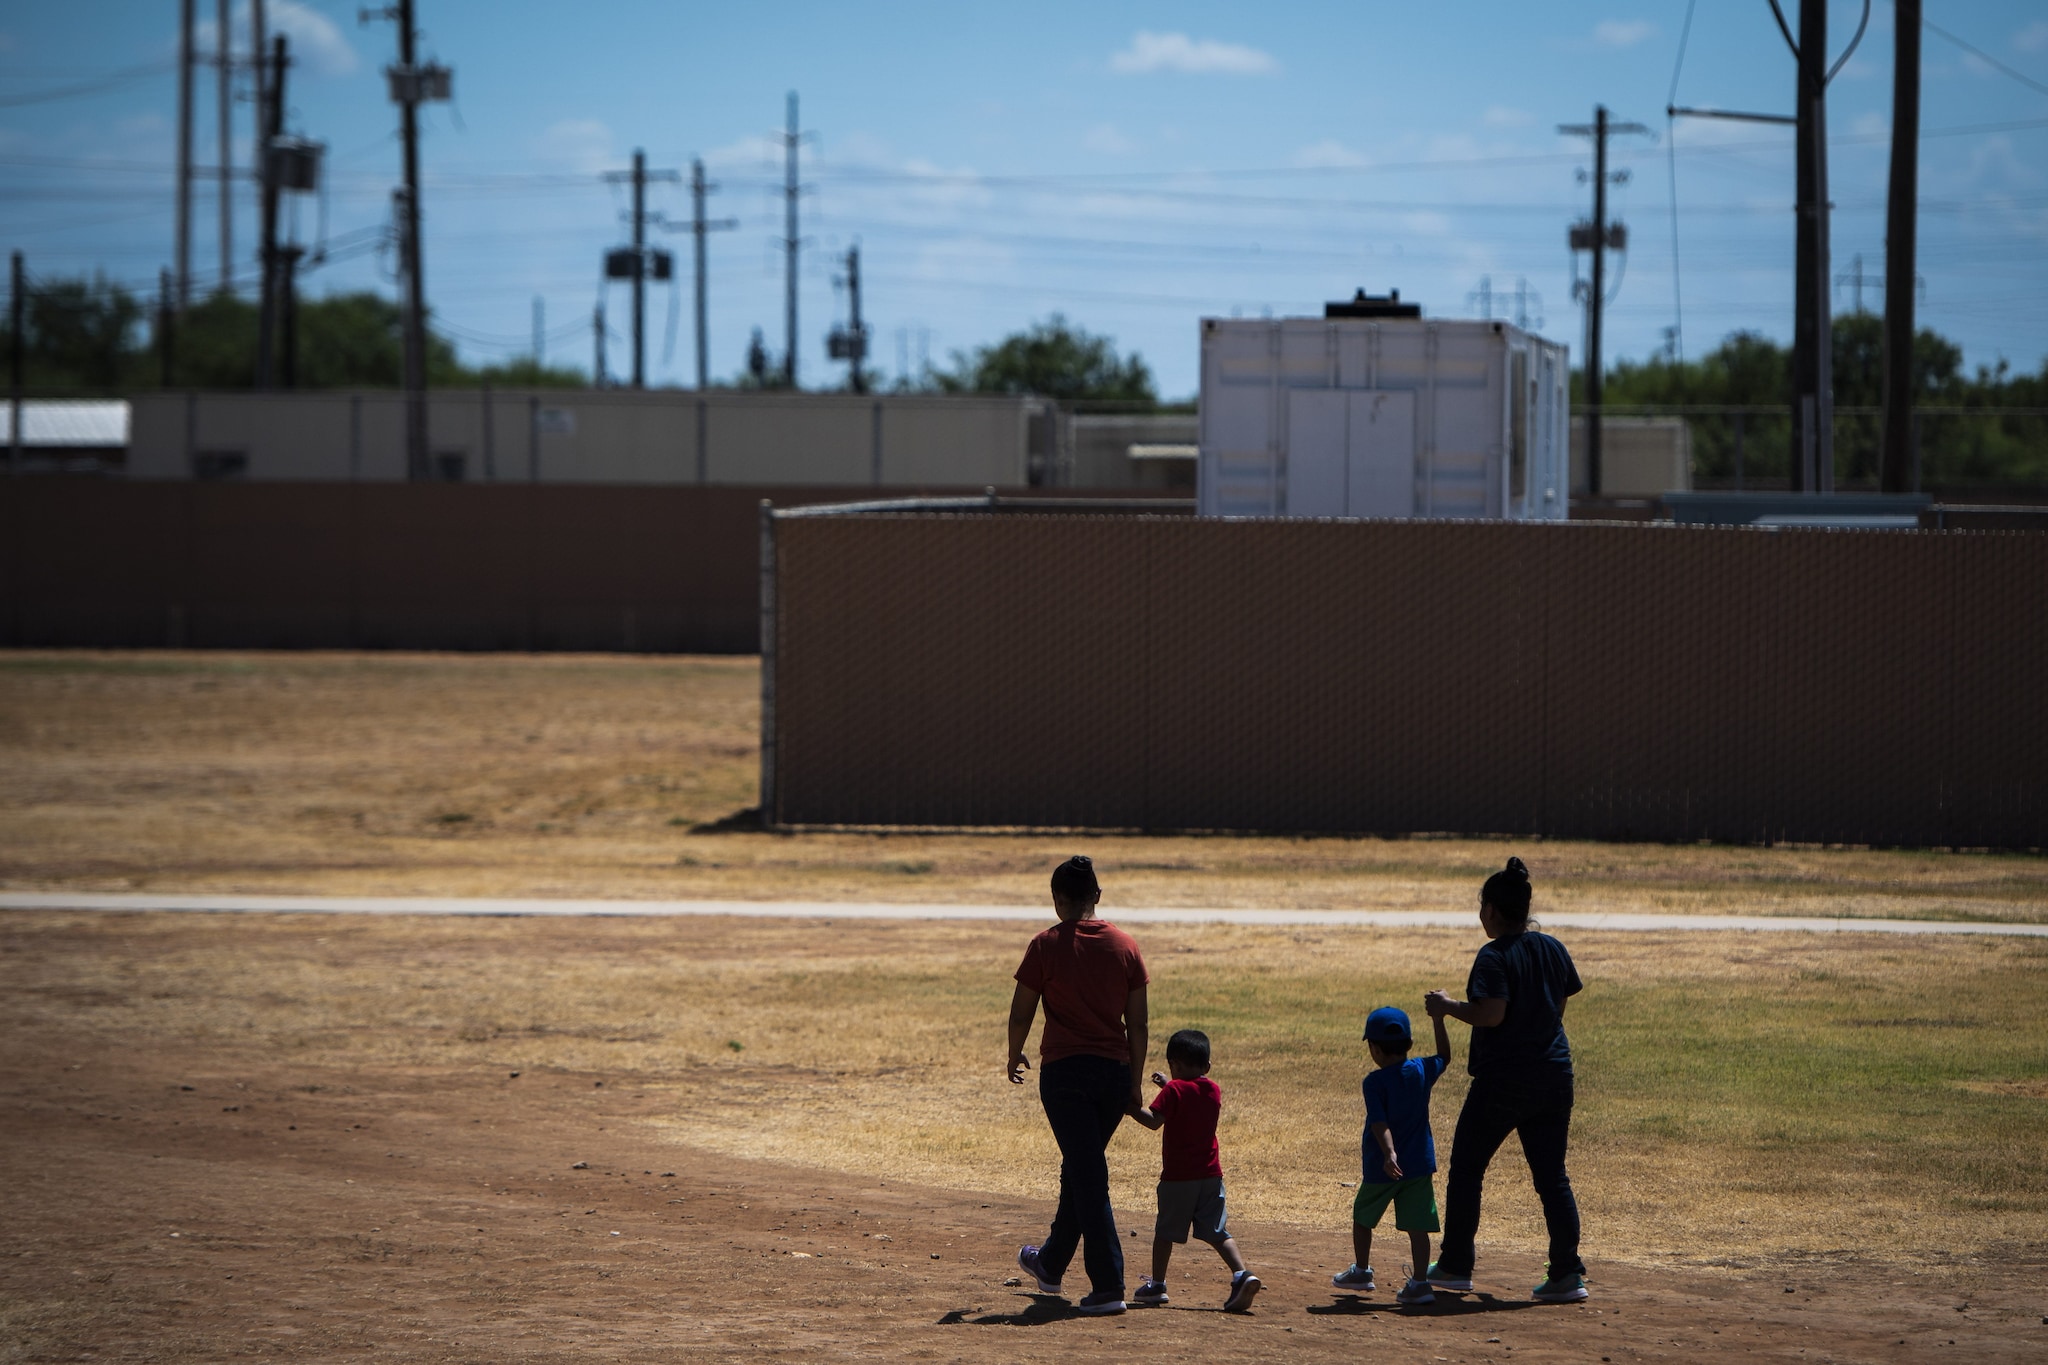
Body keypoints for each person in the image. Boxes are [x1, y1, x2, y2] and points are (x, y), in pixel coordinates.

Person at [1423, 856, 1589, 1303]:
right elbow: (1558, 1006)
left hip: (1503, 1081)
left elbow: (1490, 1013)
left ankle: (1456, 1264)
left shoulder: (1493, 955)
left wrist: (1447, 1006)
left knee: (1468, 1169)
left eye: (1483, 908)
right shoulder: (1551, 947)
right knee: (1552, 1177)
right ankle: (1567, 1273)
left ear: (1493, 910)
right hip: (1555, 1074)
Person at [1007, 855, 1150, 1316]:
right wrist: (1133, 1081)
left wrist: (1014, 1052)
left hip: (1065, 1074)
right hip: (1111, 1074)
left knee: (1088, 1174)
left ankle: (1108, 1285)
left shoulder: (1045, 945)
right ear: (1098, 896)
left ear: (1056, 900)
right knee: (1082, 1166)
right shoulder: (1125, 946)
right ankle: (1049, 1263)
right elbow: (1139, 1023)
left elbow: (1022, 1008)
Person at [1124, 1028, 1263, 1313]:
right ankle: (1241, 1274)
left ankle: (1158, 1285)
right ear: (1207, 1066)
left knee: (1165, 1233)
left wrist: (1128, 1107)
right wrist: (1169, 1085)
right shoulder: (1213, 1090)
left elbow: (1153, 1121)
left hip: (1178, 1178)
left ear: (1173, 1064)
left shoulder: (1174, 1090)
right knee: (1217, 1231)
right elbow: (1190, 1098)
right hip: (1211, 1175)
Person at [1330, 1004, 1452, 1306]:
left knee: (1363, 1217)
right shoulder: (1422, 1070)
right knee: (1418, 1226)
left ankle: (1361, 1271)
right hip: (1419, 1166)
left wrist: (1389, 1152)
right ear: (1409, 1044)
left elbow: (1379, 1121)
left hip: (1381, 1168)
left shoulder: (1374, 1082)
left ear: (1374, 1048)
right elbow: (1445, 1057)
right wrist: (1439, 1019)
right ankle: (1421, 1283)